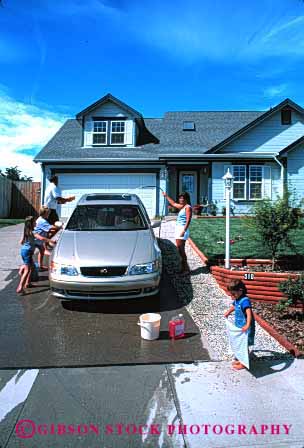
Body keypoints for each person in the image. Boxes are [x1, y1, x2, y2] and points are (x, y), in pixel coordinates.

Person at [16, 216, 55, 294]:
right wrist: (51, 240)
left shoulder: (26, 231)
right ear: (31, 224)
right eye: (34, 222)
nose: (36, 223)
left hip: (24, 251)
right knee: (27, 270)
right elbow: (41, 238)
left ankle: (27, 283)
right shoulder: (32, 232)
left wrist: (29, 243)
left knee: (31, 267)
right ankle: (20, 287)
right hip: (28, 252)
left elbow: (21, 242)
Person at [224, 279, 255, 370]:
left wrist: (248, 324)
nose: (232, 296)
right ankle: (241, 359)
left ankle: (244, 363)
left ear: (240, 291)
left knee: (244, 345)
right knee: (240, 343)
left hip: (246, 327)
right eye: (231, 294)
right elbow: (234, 306)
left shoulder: (245, 301)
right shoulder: (238, 299)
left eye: (234, 294)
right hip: (240, 326)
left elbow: (249, 313)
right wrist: (228, 312)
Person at [162, 191, 192, 273]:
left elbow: (188, 220)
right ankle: (184, 268)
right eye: (180, 198)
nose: (181, 199)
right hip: (179, 229)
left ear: (186, 199)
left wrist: (183, 231)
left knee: (180, 250)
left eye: (183, 198)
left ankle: (185, 268)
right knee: (180, 250)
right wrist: (166, 196)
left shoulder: (187, 207)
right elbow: (173, 203)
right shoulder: (182, 206)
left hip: (182, 230)